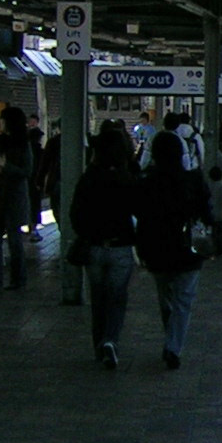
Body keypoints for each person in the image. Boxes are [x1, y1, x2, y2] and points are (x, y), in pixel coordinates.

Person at [136, 130, 212, 369]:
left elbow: (140, 214)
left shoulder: (148, 183)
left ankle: (170, 338)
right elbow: (207, 213)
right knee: (184, 300)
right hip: (188, 249)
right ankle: (173, 346)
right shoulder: (194, 180)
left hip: (156, 249)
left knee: (165, 296)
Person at [71, 125, 139, 368]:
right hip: (121, 247)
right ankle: (111, 339)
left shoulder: (88, 178)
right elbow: (139, 211)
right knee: (117, 298)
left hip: (95, 247)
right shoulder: (127, 179)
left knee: (98, 299)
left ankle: (99, 345)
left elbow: (75, 214)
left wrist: (86, 233)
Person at [0, 106, 32, 290]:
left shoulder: (23, 144)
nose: (0, 123)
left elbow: (27, 171)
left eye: (2, 120)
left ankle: (17, 279)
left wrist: (7, 166)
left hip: (14, 198)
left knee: (14, 240)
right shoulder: (0, 140)